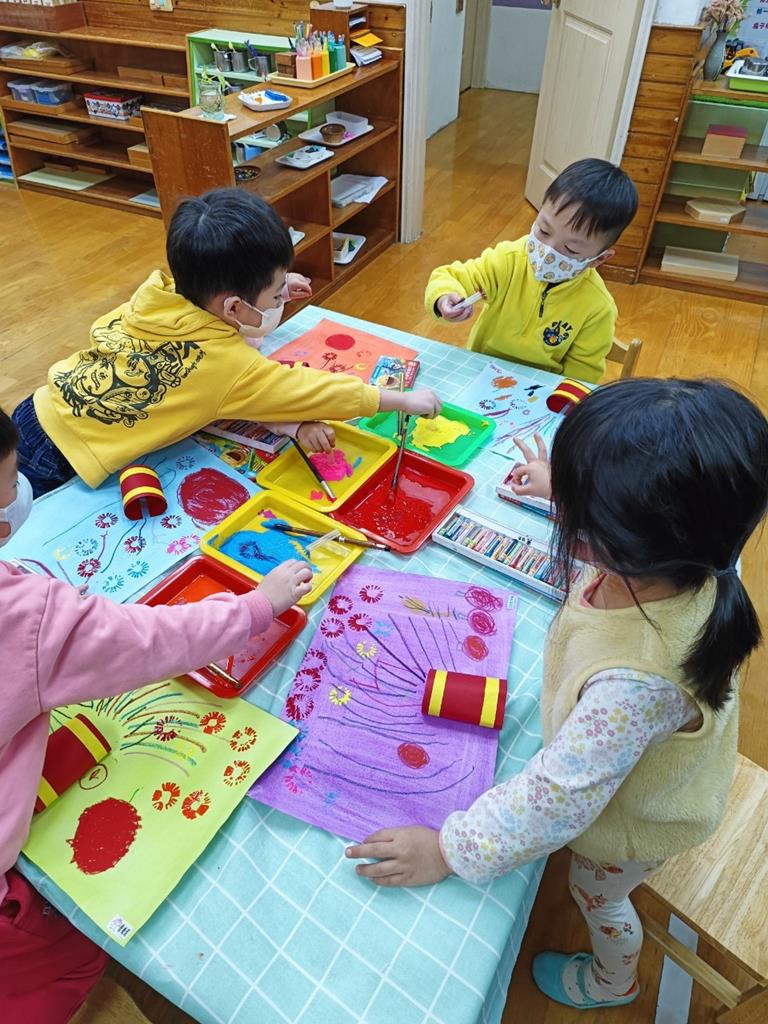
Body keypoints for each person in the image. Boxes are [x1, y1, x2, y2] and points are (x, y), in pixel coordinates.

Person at [346, 378, 768, 1010]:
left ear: (636, 542)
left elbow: (557, 803)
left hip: (636, 824)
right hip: (635, 752)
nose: (567, 519)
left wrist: (447, 850)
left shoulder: (635, 683)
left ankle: (614, 981)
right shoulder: (695, 553)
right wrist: (564, 487)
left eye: (583, 513)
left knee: (596, 896)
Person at [0, 407, 313, 1021]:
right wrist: (257, 606)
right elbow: (147, 641)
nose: (18, 494)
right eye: (9, 485)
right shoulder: (23, 615)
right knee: (71, 955)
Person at [14, 189, 440, 497]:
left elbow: (228, 339)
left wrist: (276, 289)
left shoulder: (157, 296)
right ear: (234, 307)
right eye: (274, 293)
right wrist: (399, 400)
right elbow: (312, 389)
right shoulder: (226, 366)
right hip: (60, 458)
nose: (278, 300)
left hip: (37, 409)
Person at [424, 159, 638, 383]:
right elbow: (450, 276)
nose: (547, 251)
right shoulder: (509, 259)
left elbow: (582, 374)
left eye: (570, 249)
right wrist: (443, 298)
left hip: (542, 391)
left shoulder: (598, 307)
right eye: (544, 230)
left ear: (599, 259)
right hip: (480, 374)